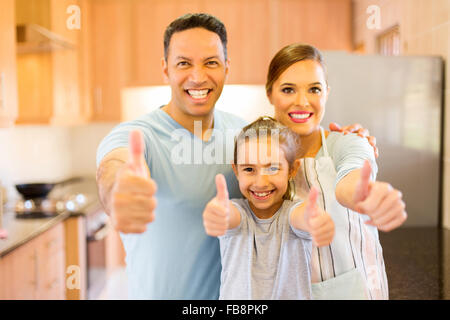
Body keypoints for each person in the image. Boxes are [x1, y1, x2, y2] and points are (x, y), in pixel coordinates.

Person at [95, 13, 378, 299]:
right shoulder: (138, 135)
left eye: (211, 62)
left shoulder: (242, 133)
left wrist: (353, 140)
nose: (197, 75)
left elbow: (294, 147)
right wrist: (120, 187)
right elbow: (113, 166)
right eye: (183, 63)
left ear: (226, 68)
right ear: (165, 69)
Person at [265, 43, 408, 299]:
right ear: (270, 94)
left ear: (326, 94)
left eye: (314, 89)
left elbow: (350, 182)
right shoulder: (255, 157)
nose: (302, 101)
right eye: (288, 89)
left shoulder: (348, 143)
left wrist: (365, 195)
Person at [203, 117, 335, 299]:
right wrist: (219, 213)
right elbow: (229, 216)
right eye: (249, 169)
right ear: (236, 170)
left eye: (272, 168)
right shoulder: (237, 212)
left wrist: (314, 220)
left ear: (292, 170)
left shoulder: (293, 213)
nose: (260, 182)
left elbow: (301, 218)